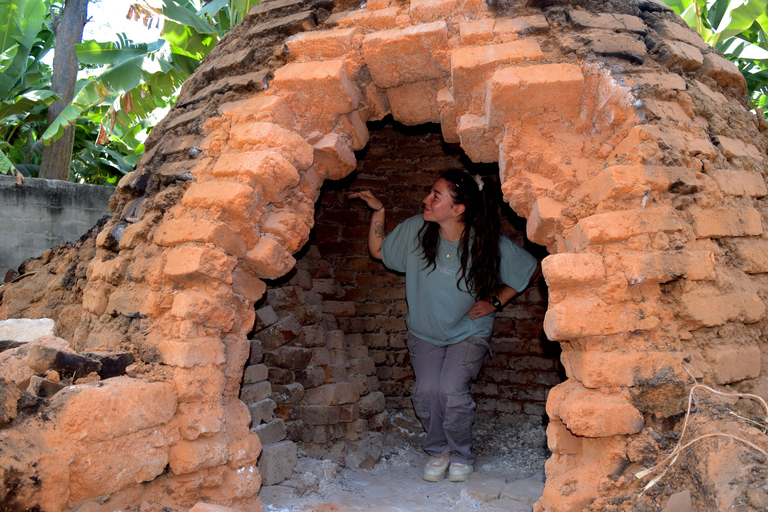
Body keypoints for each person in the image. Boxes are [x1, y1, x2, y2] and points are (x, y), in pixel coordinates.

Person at [349, 169, 539, 483]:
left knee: (450, 391)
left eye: (436, 196)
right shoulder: (416, 229)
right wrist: (379, 211)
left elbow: (529, 269)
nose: (426, 199)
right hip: (424, 331)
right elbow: (379, 251)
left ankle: (462, 454)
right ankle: (439, 450)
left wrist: (496, 301)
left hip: (468, 331)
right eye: (430, 193)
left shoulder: (484, 243)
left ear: (458, 209)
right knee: (426, 392)